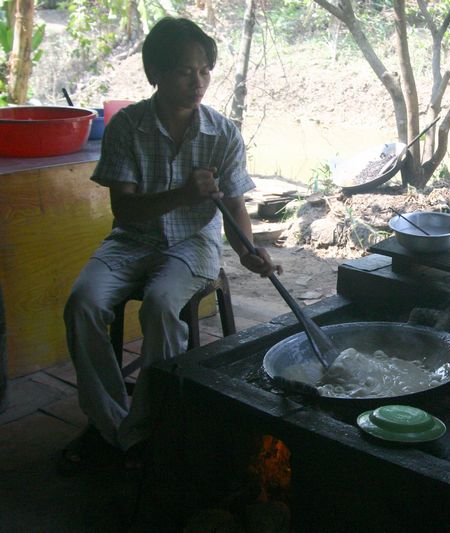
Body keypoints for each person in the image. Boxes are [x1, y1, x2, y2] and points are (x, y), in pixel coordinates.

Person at [62, 17, 280, 469]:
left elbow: (235, 203)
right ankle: (113, 425)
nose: (196, 82)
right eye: (184, 70)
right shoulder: (127, 127)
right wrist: (183, 193)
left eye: (204, 70)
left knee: (161, 305)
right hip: (131, 240)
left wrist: (247, 251)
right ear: (155, 73)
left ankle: (147, 427)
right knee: (82, 303)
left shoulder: (223, 132)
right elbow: (125, 211)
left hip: (193, 243)